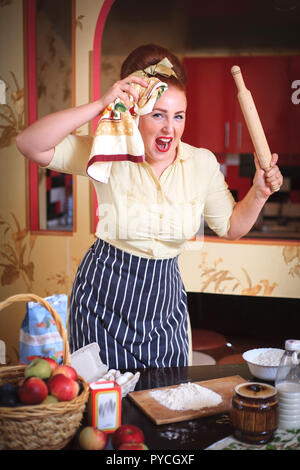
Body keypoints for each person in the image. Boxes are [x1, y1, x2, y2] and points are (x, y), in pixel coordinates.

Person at [16, 44, 283, 370]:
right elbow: (29, 143)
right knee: (106, 410)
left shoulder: (201, 164)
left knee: (165, 404)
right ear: (136, 114)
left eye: (178, 116)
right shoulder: (107, 149)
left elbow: (231, 227)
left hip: (164, 305)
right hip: (103, 301)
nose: (169, 128)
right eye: (157, 114)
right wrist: (101, 104)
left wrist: (259, 192)